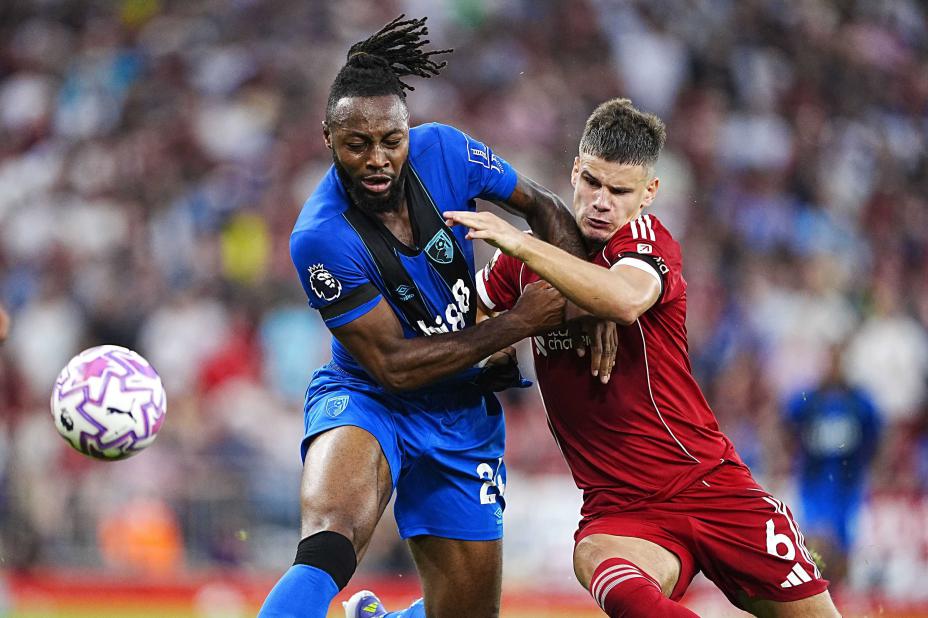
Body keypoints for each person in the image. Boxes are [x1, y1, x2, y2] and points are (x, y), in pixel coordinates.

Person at [443, 98, 842, 617]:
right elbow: (463, 319)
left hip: (711, 486)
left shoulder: (646, 241)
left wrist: (521, 244)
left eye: (619, 191)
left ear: (649, 193)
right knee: (594, 558)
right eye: (592, 182)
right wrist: (501, 332)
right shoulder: (519, 264)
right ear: (574, 171)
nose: (600, 202)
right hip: (621, 511)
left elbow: (625, 298)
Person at [258, 15, 589, 618]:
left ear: (409, 129)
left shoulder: (446, 150)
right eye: (358, 145)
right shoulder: (320, 237)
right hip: (370, 397)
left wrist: (587, 307)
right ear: (328, 138)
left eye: (392, 140)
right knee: (331, 537)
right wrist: (516, 323)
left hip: (461, 410)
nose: (378, 159)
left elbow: (545, 208)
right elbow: (393, 366)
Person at [784, 344, 881, 586]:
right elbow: (786, 422)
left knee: (844, 544)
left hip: (847, 485)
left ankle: (841, 592)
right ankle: (816, 590)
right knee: (814, 542)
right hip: (815, 483)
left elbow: (875, 433)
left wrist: (871, 463)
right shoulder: (810, 400)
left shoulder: (858, 402)